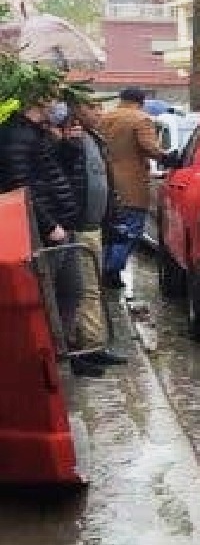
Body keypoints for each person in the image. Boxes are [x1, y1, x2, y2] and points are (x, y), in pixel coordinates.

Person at [0, 86, 95, 376]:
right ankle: (42, 364)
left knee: (71, 291)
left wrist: (69, 145)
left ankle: (60, 355)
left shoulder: (39, 132)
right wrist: (48, 224)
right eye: (52, 96)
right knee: (46, 297)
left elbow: (54, 172)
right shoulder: (15, 135)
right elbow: (20, 186)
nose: (58, 103)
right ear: (37, 98)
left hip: (62, 226)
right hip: (46, 230)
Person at [55, 91, 130, 367]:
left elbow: (106, 185)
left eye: (100, 107)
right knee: (84, 288)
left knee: (91, 286)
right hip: (78, 226)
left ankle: (92, 344)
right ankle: (87, 347)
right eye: (92, 107)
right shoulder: (68, 139)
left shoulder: (95, 140)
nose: (98, 112)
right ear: (75, 109)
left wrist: (114, 217)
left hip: (95, 225)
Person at [98, 87, 171, 289]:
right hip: (132, 185)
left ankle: (103, 267)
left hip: (106, 181)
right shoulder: (141, 119)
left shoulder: (104, 118)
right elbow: (149, 147)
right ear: (142, 101)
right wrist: (168, 157)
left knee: (110, 231)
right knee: (130, 230)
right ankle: (112, 270)